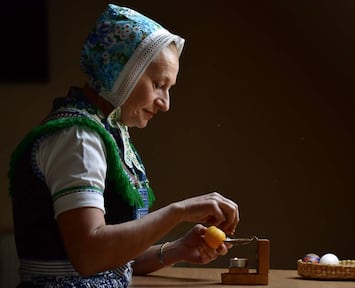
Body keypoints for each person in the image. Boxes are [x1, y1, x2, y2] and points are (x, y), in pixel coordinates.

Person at [8, 3, 239, 287]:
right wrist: (179, 212)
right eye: (158, 84)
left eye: (169, 89)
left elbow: (111, 261)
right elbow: (89, 256)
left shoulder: (106, 132)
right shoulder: (77, 138)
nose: (165, 104)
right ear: (120, 72)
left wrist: (175, 250)